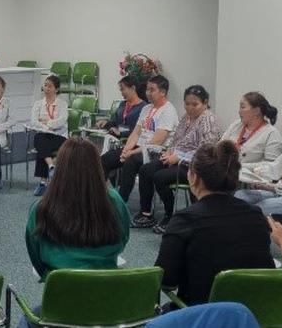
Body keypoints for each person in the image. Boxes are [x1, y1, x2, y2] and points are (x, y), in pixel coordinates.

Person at [155, 141, 274, 308]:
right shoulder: (256, 215)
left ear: (194, 177)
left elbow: (165, 280)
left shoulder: (184, 220)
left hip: (201, 314)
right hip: (252, 312)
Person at [26, 138, 130, 279]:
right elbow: (123, 238)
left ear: (60, 168)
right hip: (107, 284)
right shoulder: (114, 200)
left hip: (60, 287)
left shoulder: (42, 207)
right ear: (97, 168)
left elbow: (36, 255)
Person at [133, 85, 221, 233]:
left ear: (205, 103)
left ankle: (170, 215)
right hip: (175, 158)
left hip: (193, 165)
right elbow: (175, 140)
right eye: (187, 104)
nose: (190, 108)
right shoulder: (186, 117)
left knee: (160, 177)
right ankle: (146, 213)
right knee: (146, 170)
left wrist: (178, 157)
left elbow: (206, 149)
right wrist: (169, 152)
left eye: (195, 104)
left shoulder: (208, 119)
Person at [101, 75, 179, 203]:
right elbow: (136, 133)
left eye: (152, 90)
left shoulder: (168, 111)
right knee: (106, 158)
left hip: (156, 151)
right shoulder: (146, 109)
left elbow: (157, 141)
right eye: (147, 89)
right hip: (138, 148)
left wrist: (131, 153)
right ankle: (101, 196)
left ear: (163, 92)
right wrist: (126, 150)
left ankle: (121, 201)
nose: (148, 93)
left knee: (130, 161)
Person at [220, 92, 282, 182]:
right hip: (226, 176)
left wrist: (240, 166)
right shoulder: (236, 125)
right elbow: (219, 147)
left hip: (252, 182)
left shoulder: (271, 134)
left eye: (243, 107)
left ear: (256, 111)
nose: (239, 111)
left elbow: (272, 166)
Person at [29, 75, 68, 196]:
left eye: (50, 86)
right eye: (45, 85)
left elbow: (62, 120)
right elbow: (34, 121)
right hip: (44, 135)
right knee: (40, 139)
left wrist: (47, 122)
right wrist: (47, 127)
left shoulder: (62, 104)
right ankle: (51, 166)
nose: (46, 88)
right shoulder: (38, 104)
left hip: (59, 136)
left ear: (56, 89)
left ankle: (43, 183)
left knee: (41, 145)